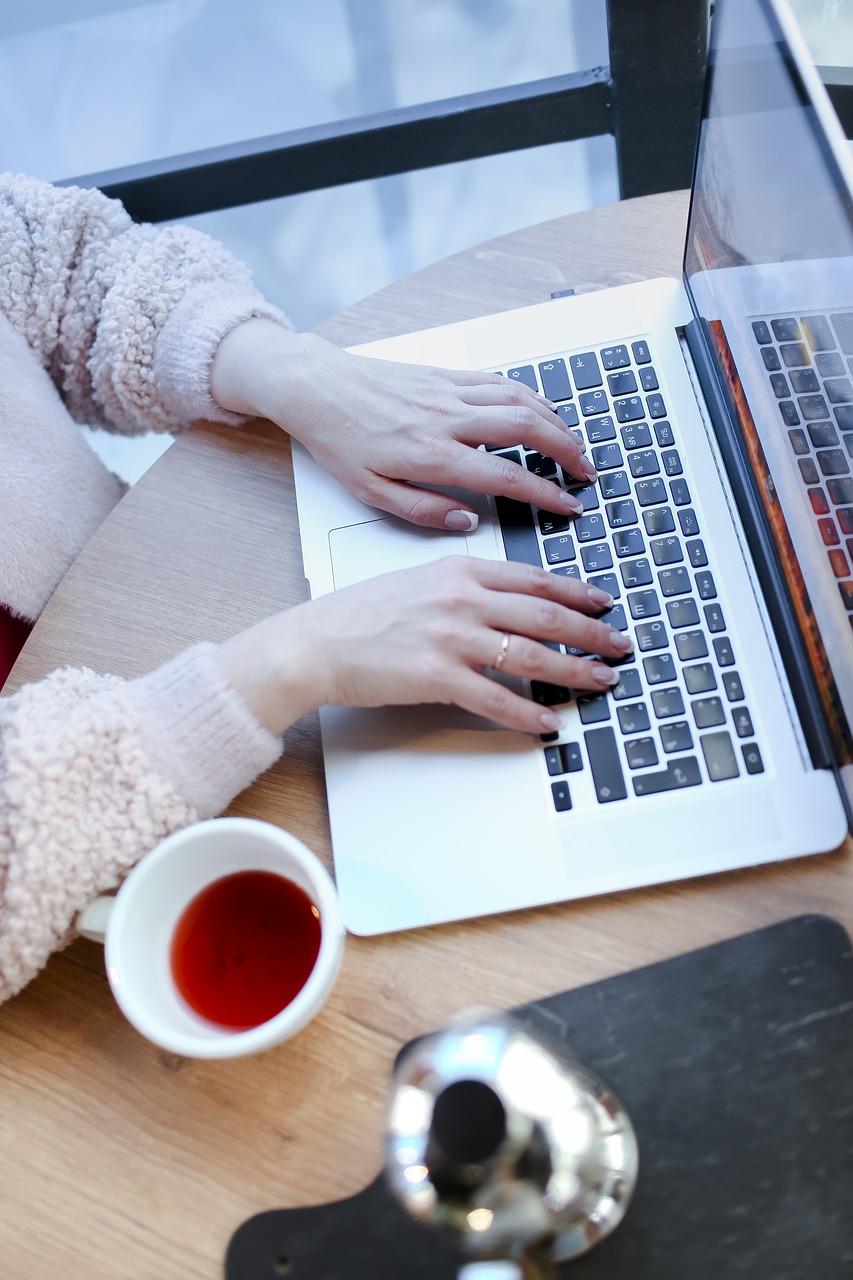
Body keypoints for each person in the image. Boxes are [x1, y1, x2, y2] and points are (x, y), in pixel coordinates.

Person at [0, 172, 632, 1004]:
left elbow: (56, 267)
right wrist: (286, 664)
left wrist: (281, 368)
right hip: (92, 912)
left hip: (147, 605)